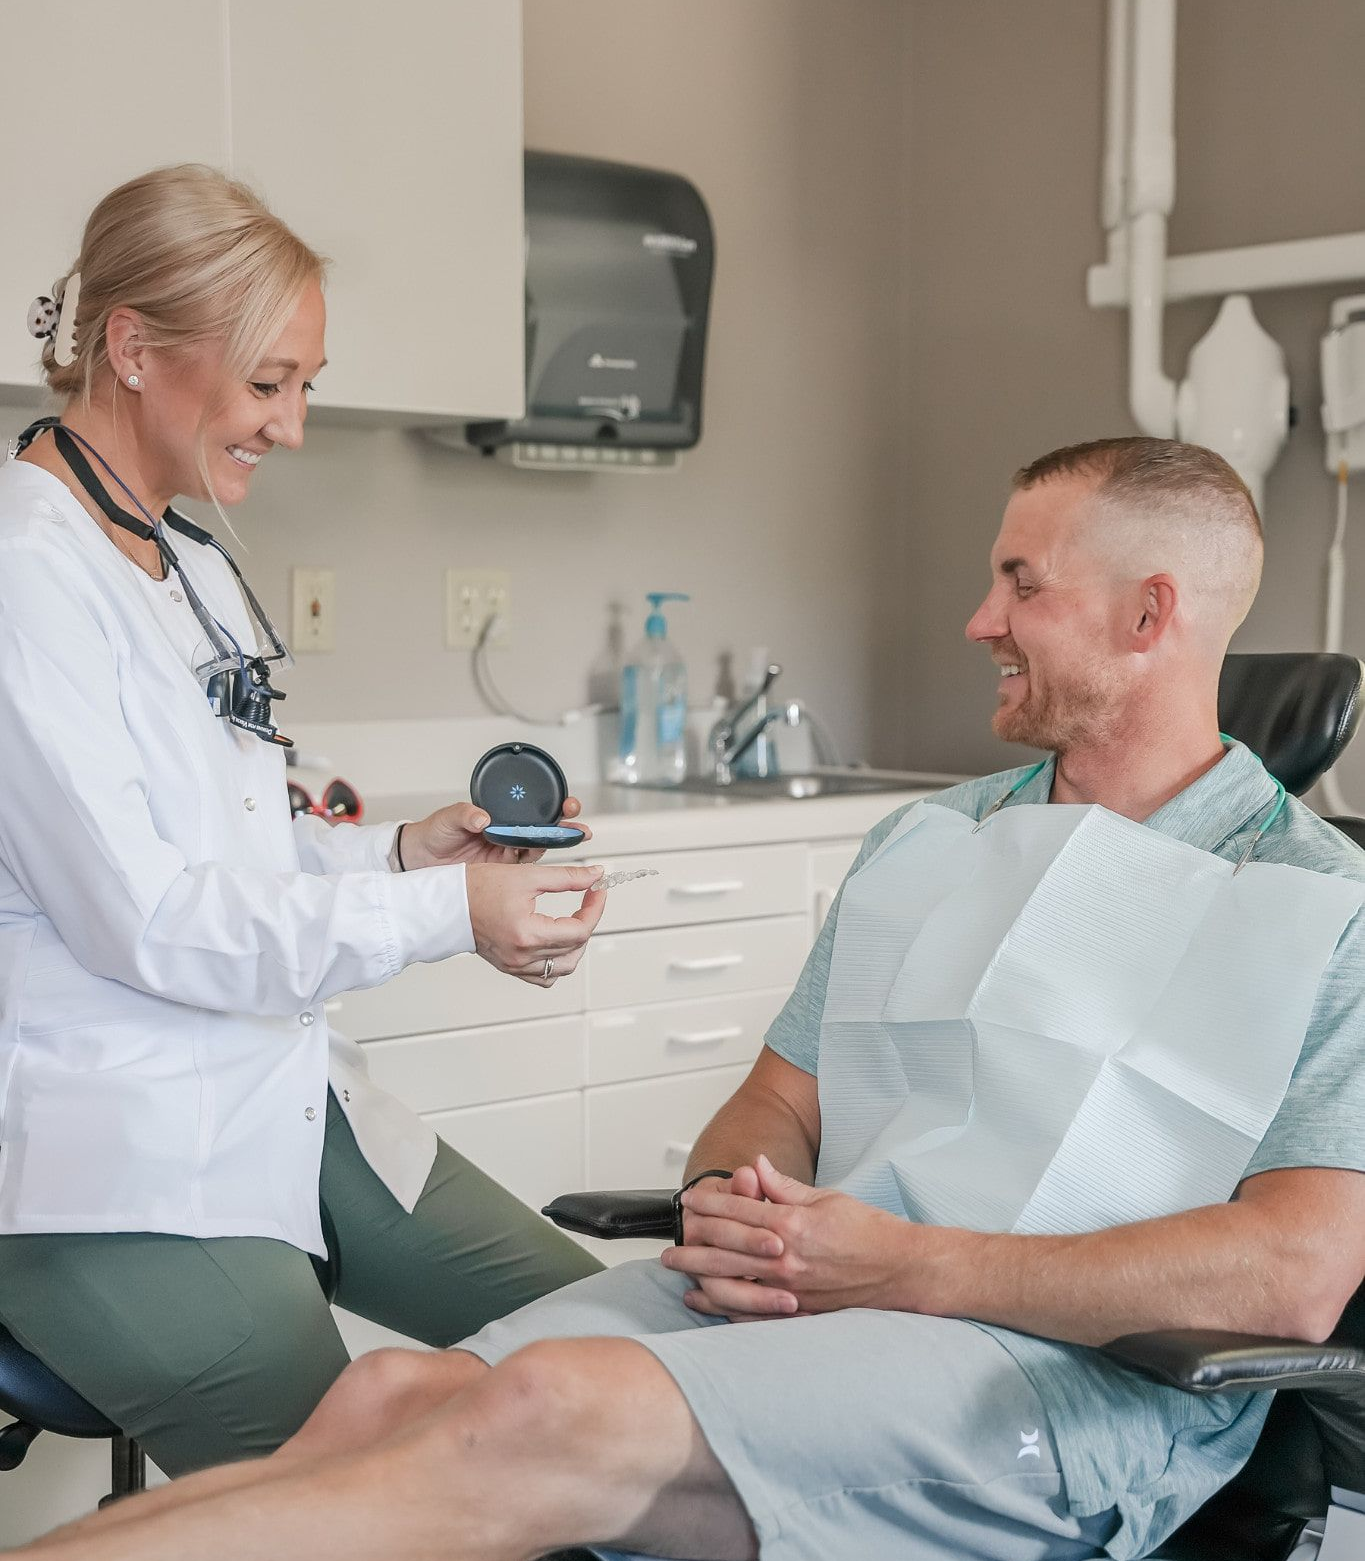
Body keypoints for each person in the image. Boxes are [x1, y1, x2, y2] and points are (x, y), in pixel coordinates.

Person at [20, 436, 1365, 1561]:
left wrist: (908, 1266)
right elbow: (779, 1099)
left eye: (1022, 583)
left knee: (543, 1408)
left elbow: (1297, 1277)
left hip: (1065, 1384)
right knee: (387, 1394)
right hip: (821, 1297)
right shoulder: (934, 839)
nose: (979, 620)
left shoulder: (1321, 904)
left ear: (1149, 616)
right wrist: (741, 1194)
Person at [0, 164, 605, 1480]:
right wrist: (448, 913)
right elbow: (151, 918)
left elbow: (239, 849)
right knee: (363, 1493)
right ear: (135, 348)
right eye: (271, 382)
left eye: (306, 386)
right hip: (113, 1160)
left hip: (278, 1089)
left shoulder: (188, 563)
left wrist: (403, 852)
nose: (294, 425)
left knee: (613, 1348)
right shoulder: (25, 577)